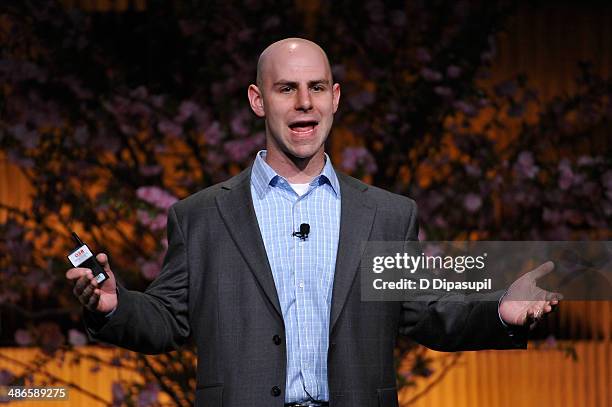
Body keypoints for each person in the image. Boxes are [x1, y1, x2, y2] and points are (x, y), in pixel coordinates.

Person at [66, 38, 559, 407]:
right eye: (287, 89)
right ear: (259, 101)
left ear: (335, 97)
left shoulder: (386, 214)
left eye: (316, 87)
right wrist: (113, 306)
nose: (305, 102)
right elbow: (167, 321)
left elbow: (426, 312)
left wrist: (500, 311)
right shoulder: (201, 217)